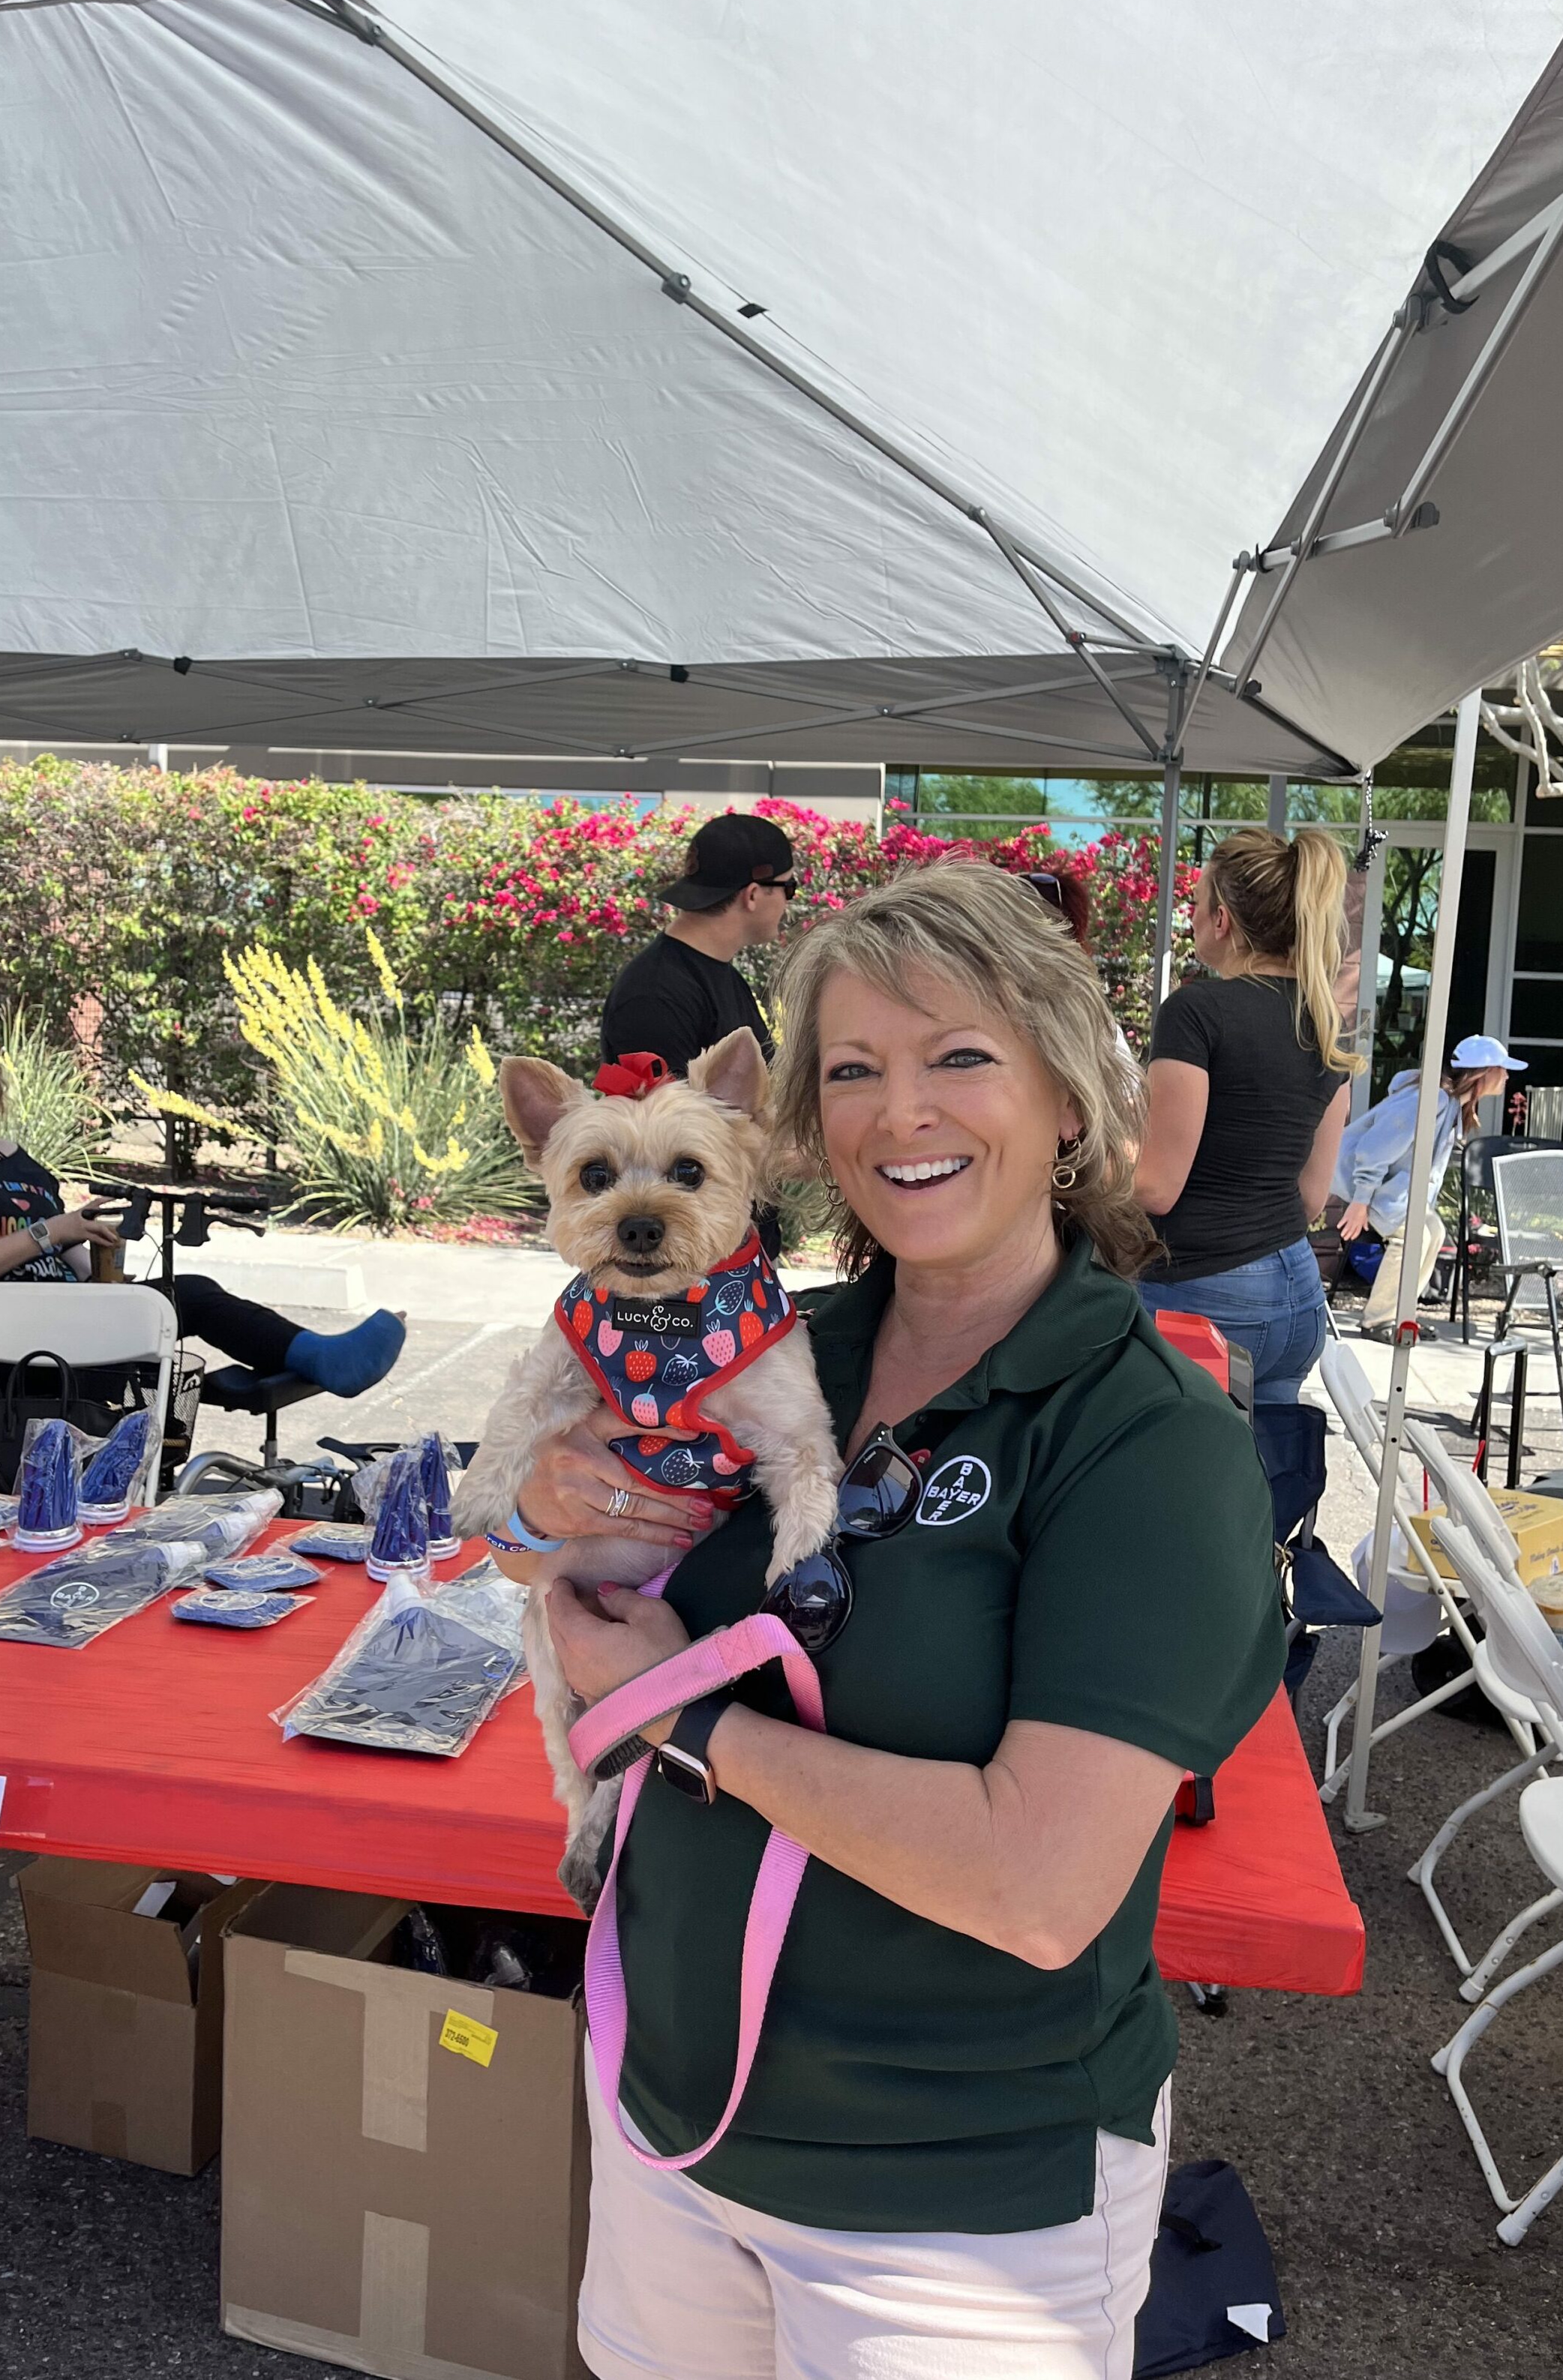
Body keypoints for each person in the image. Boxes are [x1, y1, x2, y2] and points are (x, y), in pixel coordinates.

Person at [494, 862, 1282, 2380]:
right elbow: (572, 1572)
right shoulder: (774, 1342)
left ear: (1068, 1096)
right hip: (673, 2107)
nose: (898, 1111)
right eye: (852, 1069)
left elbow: (1039, 1885)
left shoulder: (1145, 1439)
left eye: (959, 1055)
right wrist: (539, 1514)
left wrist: (683, 1712)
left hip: (954, 2201)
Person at [0, 1035, 406, 1403]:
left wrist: (105, 1273)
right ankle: (314, 1361)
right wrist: (47, 1232)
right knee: (189, 1299)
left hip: (52, 1322)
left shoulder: (18, 1162)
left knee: (168, 1298)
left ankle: (294, 1364)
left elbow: (66, 1250)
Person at [1134, 827, 1359, 1453]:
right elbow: (1311, 1197)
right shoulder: (1323, 1023)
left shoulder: (1196, 1012)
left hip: (1206, 1295)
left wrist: (1083, 1159)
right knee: (1265, 1481)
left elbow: (1155, 1186)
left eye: (1197, 902)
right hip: (1296, 1293)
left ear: (1222, 920)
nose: (1191, 915)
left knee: (1184, 1480)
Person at [602, 811, 796, 1257]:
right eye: (789, 889)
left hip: (735, 1257)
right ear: (753, 894)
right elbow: (658, 1144)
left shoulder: (719, 976)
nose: (788, 904)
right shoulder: (655, 995)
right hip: (679, 1269)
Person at [1330, 1035, 1521, 1341]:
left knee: (1435, 1231)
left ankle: (1403, 1314)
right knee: (1413, 1237)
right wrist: (1360, 1202)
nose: (1508, 1076)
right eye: (1503, 1068)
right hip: (1366, 1187)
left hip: (1392, 1193)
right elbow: (1376, 1149)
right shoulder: (1431, 1100)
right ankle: (1378, 1320)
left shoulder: (1453, 1105)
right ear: (1484, 1072)